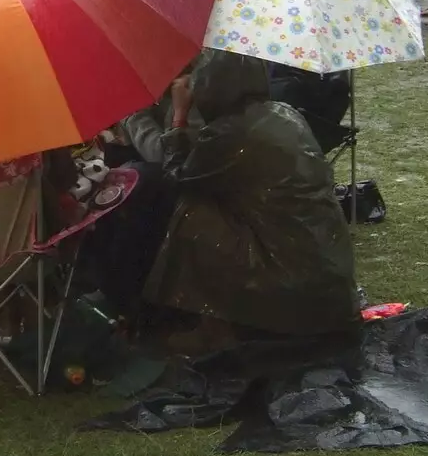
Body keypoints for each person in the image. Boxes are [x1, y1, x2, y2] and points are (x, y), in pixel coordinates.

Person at [106, 51, 358, 343]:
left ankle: (209, 323)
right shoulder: (283, 113)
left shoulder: (231, 133)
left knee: (183, 214)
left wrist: (178, 116)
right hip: (326, 275)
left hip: (289, 278)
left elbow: (174, 178)